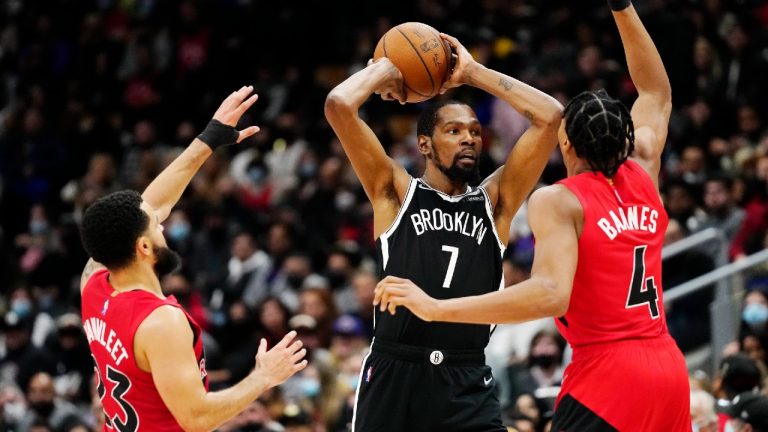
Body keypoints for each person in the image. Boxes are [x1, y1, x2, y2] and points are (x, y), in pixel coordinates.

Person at [375, 1, 691, 430]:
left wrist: (436, 308)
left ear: (566, 146)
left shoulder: (560, 200)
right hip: (669, 368)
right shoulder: (644, 170)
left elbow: (549, 294)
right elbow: (656, 92)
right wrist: (622, 7)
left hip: (608, 374)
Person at [325, 27, 563, 430]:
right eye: (453, 131)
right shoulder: (395, 192)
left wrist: (472, 72)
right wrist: (384, 69)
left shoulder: (496, 203)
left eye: (474, 131)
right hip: (396, 369)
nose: (468, 138)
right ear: (425, 144)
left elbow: (551, 116)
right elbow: (338, 105)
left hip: (465, 377)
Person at [79, 86, 307, 432]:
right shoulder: (161, 322)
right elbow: (196, 418)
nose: (163, 225)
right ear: (143, 247)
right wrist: (262, 378)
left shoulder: (94, 284)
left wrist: (208, 140)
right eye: (157, 226)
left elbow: (153, 203)